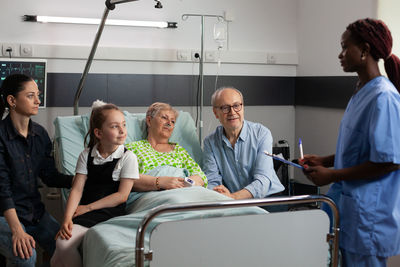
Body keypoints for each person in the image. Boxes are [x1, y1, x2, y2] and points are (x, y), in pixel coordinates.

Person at [300, 18, 400, 267]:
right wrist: (325, 160)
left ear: (365, 50)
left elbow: (388, 161)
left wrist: (332, 175)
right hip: (349, 207)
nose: (340, 54)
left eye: (345, 47)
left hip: (368, 216)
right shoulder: (361, 91)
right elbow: (360, 147)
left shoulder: (383, 97)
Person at [50, 102, 139, 267]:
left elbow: (122, 196)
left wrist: (88, 208)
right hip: (84, 212)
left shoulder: (128, 158)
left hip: (110, 213)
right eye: (114, 126)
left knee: (62, 248)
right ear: (98, 133)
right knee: (58, 256)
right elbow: (77, 189)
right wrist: (67, 218)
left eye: (124, 125)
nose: (122, 130)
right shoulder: (86, 155)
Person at [0, 74, 73, 266]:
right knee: (26, 255)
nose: (38, 101)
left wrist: (80, 179)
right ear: (12, 101)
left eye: (38, 95)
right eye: (31, 96)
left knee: (66, 249)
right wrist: (17, 230)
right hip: (4, 215)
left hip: (34, 212)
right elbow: (3, 189)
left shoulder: (40, 134)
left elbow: (49, 176)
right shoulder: (1, 136)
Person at [203, 87, 284, 199]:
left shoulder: (262, 134)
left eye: (236, 106)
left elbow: (263, 180)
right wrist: (220, 195)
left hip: (268, 198)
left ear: (243, 107)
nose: (232, 112)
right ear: (216, 113)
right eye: (225, 108)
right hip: (230, 201)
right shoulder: (210, 142)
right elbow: (212, 180)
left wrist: (233, 197)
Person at [126, 102, 207, 191]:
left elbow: (200, 176)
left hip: (184, 191)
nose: (169, 123)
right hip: (154, 194)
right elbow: (126, 178)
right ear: (149, 121)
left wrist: (185, 183)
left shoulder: (179, 151)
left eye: (173, 121)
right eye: (164, 118)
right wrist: (158, 182)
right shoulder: (133, 149)